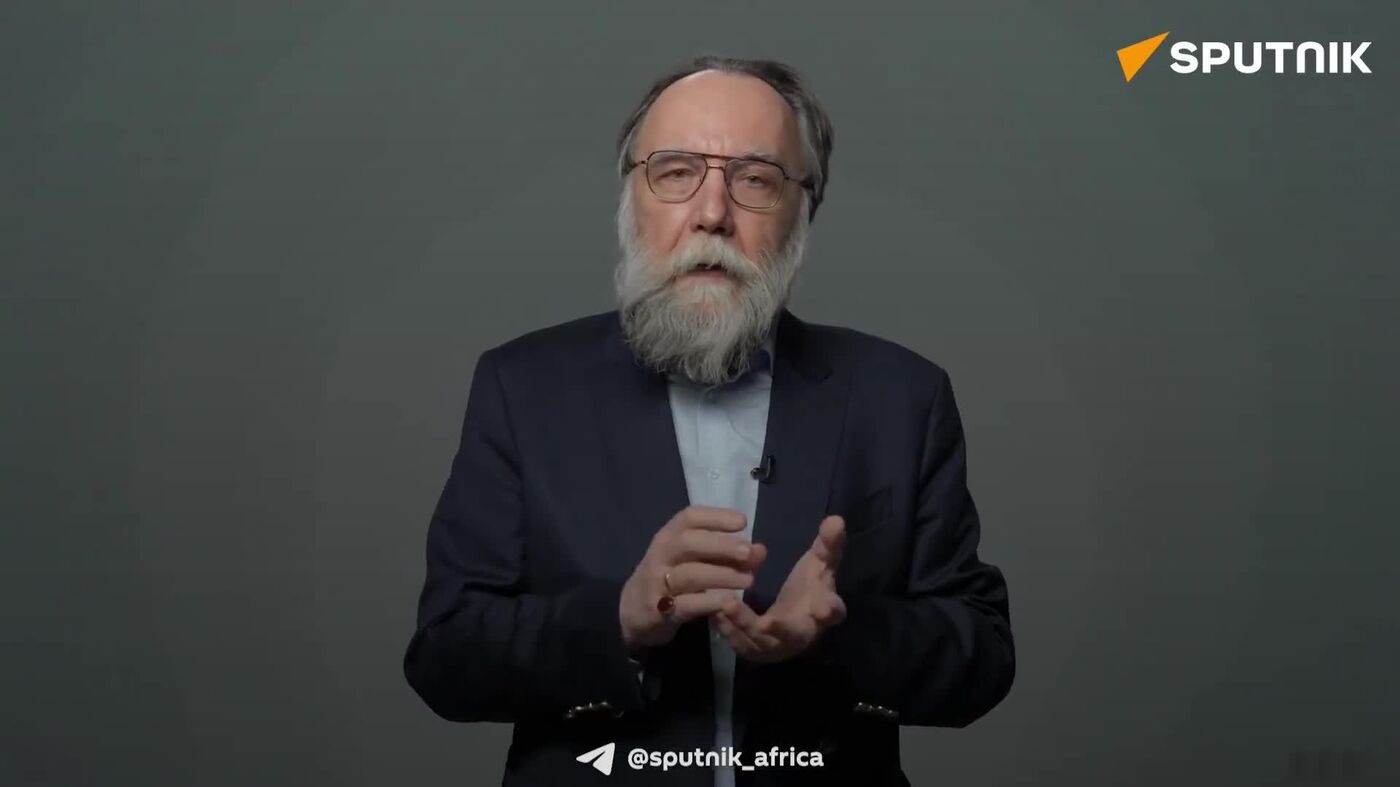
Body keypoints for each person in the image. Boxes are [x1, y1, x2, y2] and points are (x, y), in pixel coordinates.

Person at [403, 55, 1015, 786]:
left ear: (803, 211)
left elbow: (983, 657)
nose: (713, 213)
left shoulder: (902, 396)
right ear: (631, 199)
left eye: (755, 179)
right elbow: (446, 657)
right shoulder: (522, 387)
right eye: (676, 172)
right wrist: (621, 619)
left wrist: (835, 637)